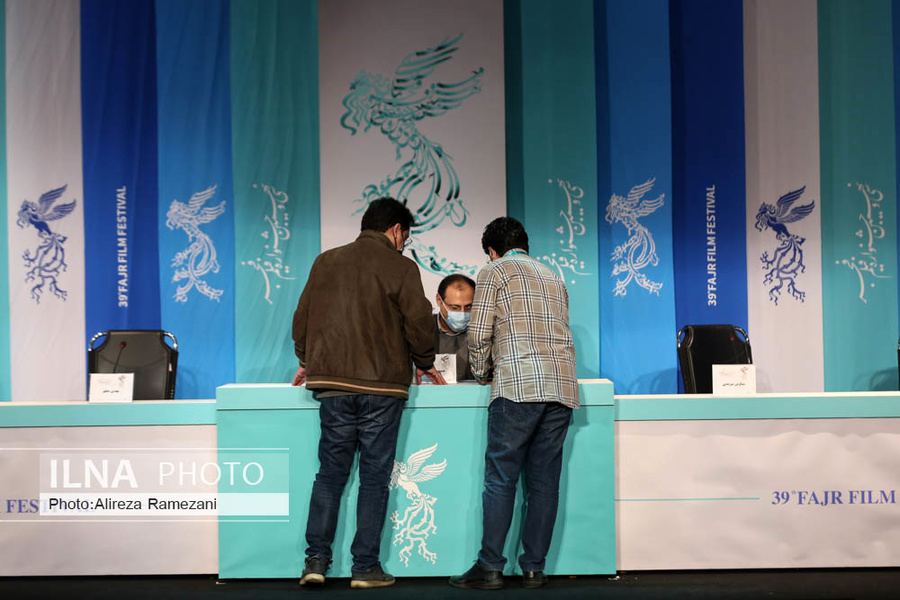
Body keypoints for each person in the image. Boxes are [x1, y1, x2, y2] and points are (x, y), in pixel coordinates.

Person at [291, 197, 446, 589]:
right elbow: (418, 323)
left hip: (333, 387)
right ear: (396, 230)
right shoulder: (401, 267)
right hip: (382, 388)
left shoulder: (325, 261)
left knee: (330, 475)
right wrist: (425, 360)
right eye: (405, 237)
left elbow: (301, 320)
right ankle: (365, 568)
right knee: (374, 479)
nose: (403, 245)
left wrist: (308, 359)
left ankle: (315, 562)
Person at [449, 217, 578, 590]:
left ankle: (490, 567)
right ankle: (534, 568)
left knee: (501, 479)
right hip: (561, 388)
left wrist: (480, 372)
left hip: (518, 384)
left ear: (492, 250)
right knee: (544, 484)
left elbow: (478, 333)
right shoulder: (554, 275)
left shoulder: (494, 271)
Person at [433, 274, 476, 382]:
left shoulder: (483, 332)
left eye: (468, 307)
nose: (462, 313)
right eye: (455, 307)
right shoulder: (422, 329)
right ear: (439, 300)